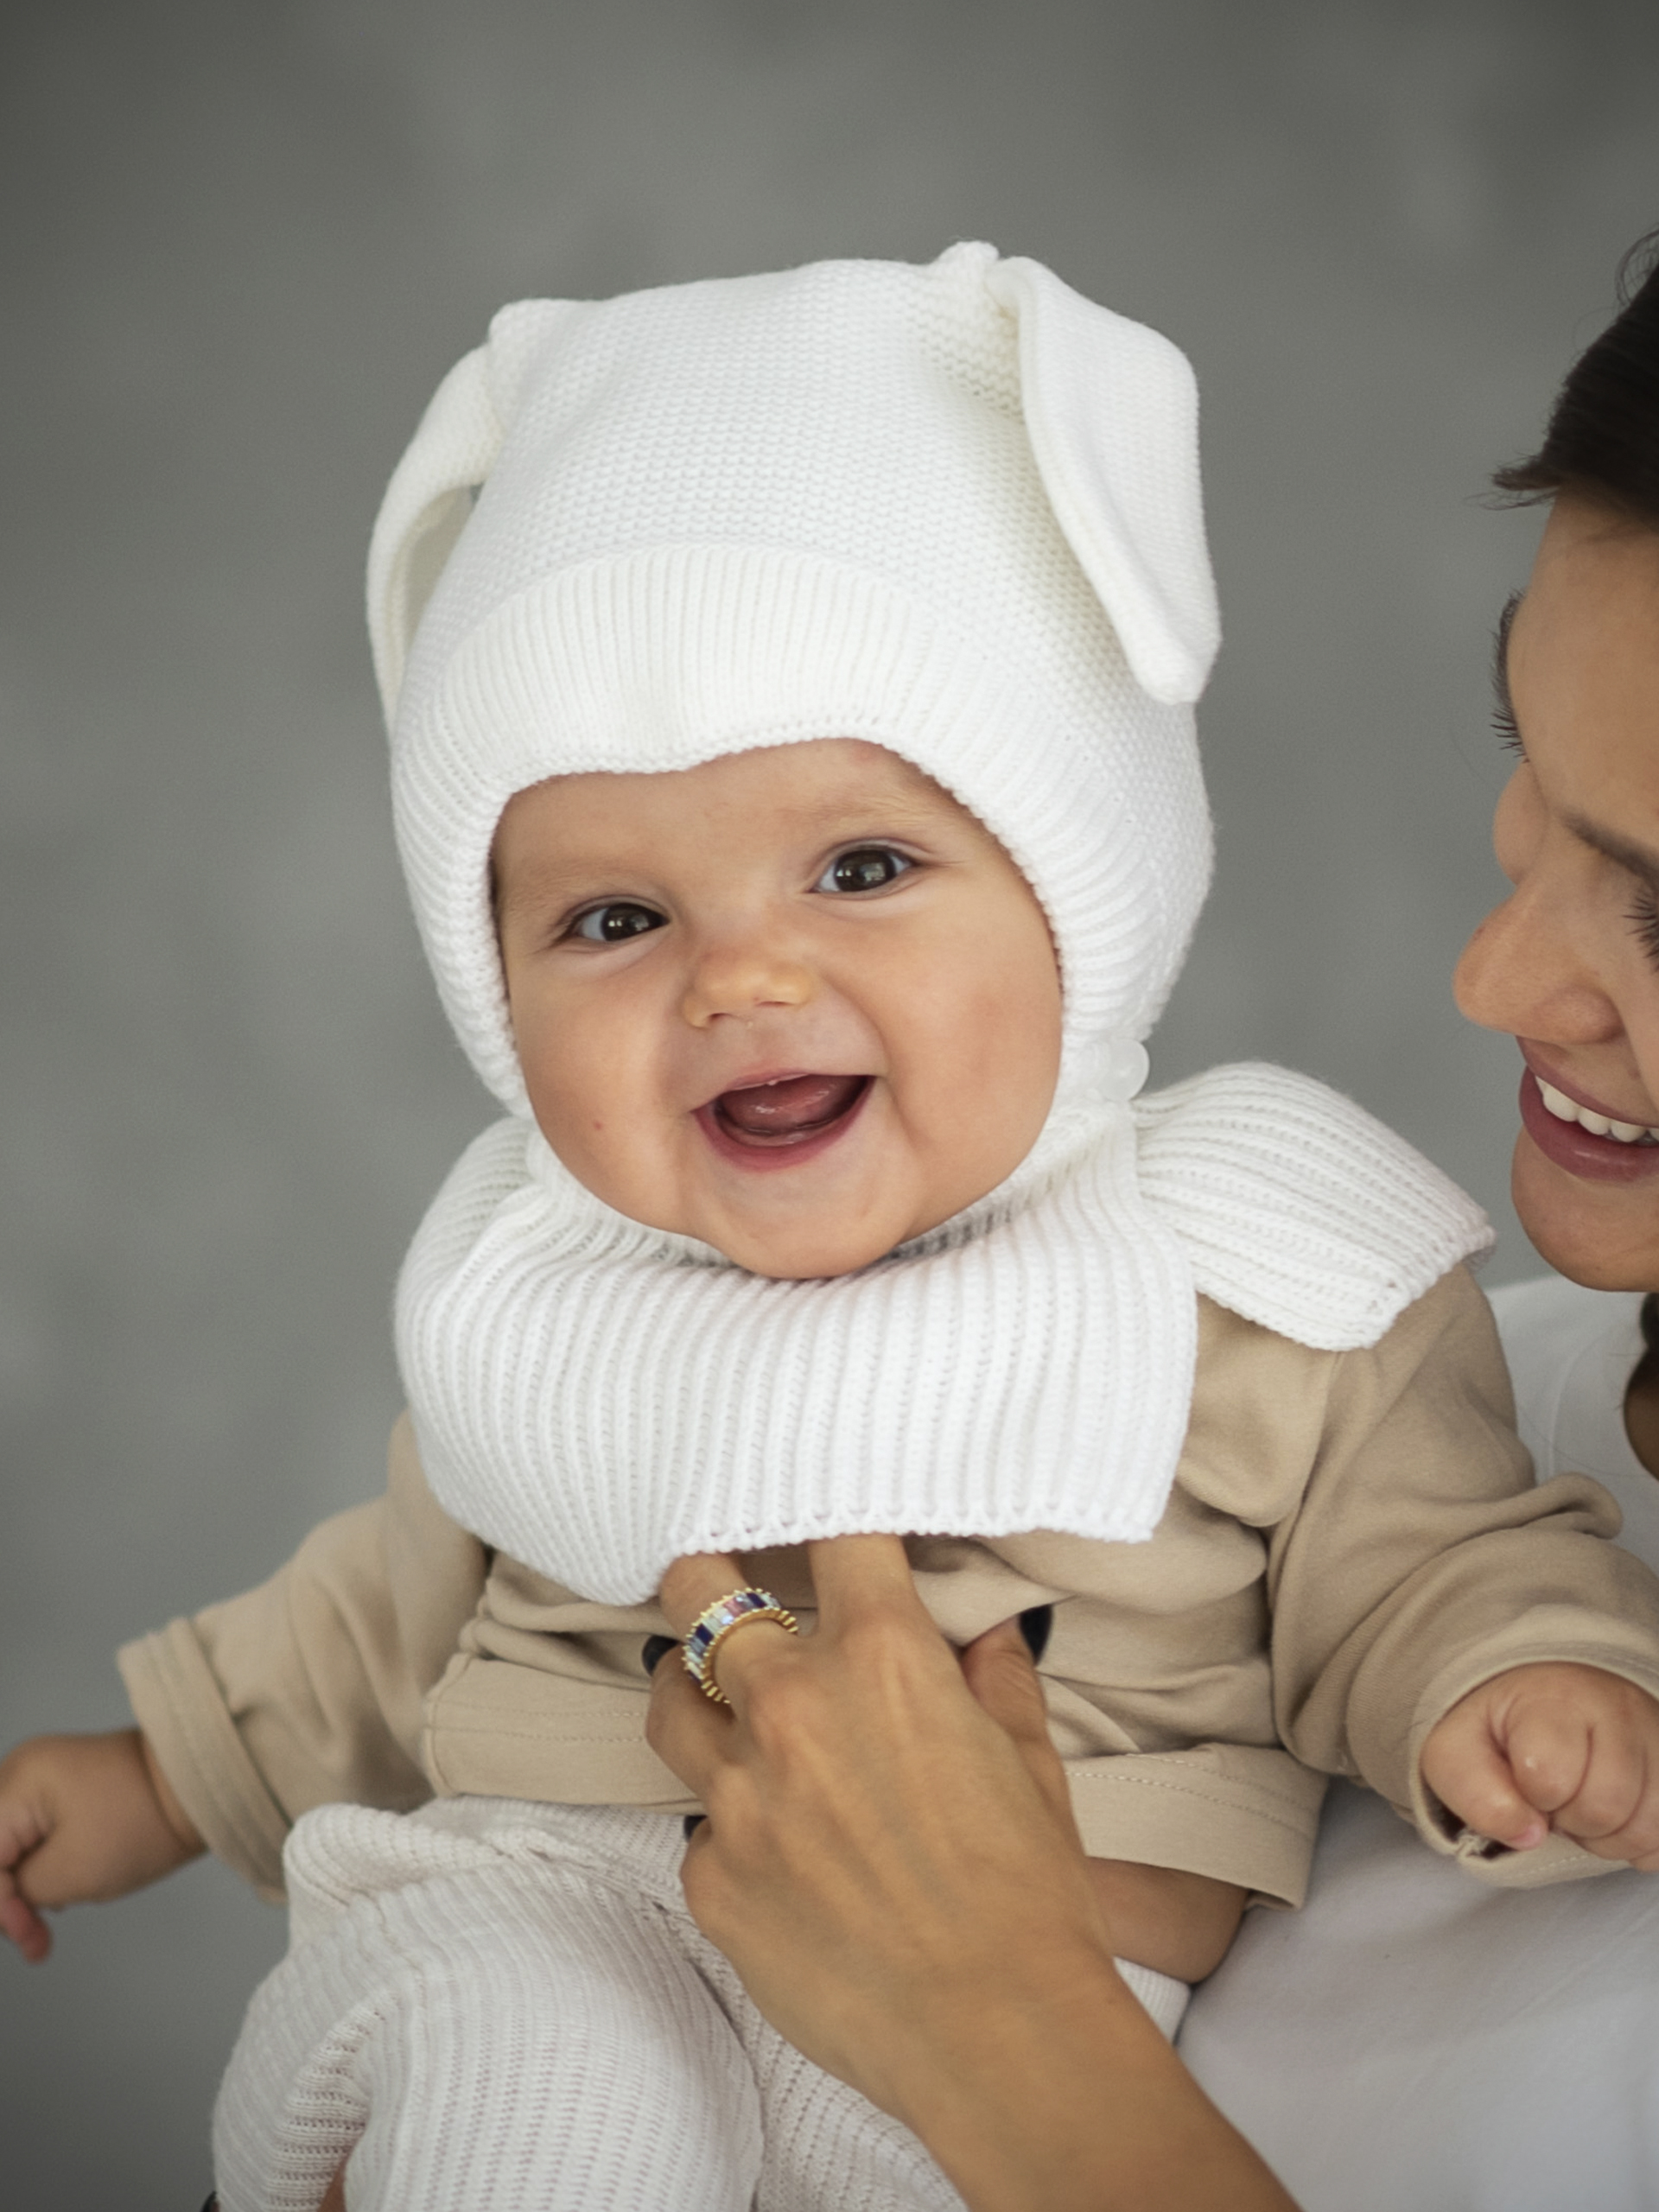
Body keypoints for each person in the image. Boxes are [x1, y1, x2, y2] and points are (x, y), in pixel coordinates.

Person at [6, 242, 1659, 2212]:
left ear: (1084, 897)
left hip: (1039, 2004)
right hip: (539, 1907)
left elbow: (1422, 1556)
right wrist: (150, 1771)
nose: (739, 979)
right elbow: (389, 1600)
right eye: (614, 920)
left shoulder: (1256, 1274)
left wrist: (1525, 1686)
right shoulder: (564, 1290)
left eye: (864, 866)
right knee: (538, 2104)